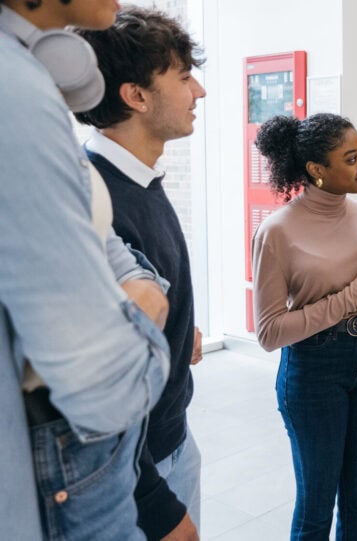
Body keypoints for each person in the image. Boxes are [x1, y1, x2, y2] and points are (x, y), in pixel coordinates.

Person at [0, 0, 171, 539]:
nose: (200, 93)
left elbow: (100, 235)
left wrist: (136, 288)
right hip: (69, 443)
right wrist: (145, 319)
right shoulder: (15, 94)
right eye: (186, 77)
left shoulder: (27, 80)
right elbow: (108, 388)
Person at [74, 7, 206, 540]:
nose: (198, 91)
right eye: (182, 76)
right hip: (135, 472)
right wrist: (152, 500)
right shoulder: (90, 197)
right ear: (136, 95)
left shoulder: (140, 180)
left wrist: (178, 331)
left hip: (174, 437)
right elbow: (95, 390)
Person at [252, 113, 357, 540]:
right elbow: (269, 332)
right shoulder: (278, 232)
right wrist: (352, 298)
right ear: (317, 171)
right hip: (313, 370)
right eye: (352, 158)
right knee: (317, 506)